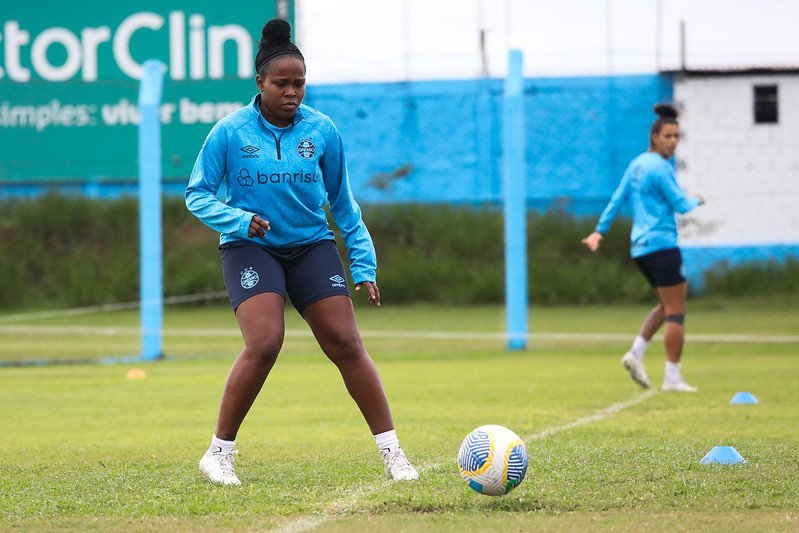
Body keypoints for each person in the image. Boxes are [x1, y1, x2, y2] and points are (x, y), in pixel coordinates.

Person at [185, 18, 418, 485]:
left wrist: (363, 262)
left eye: (300, 83)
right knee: (266, 341)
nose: (292, 92)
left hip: (311, 246)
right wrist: (238, 220)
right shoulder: (229, 132)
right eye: (282, 84)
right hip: (250, 247)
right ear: (260, 84)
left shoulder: (323, 131)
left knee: (346, 342)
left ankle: (394, 454)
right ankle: (218, 454)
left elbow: (343, 203)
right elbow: (197, 194)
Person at [581, 103, 704, 393]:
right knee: (677, 310)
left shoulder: (636, 164)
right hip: (661, 245)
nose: (673, 142)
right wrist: (697, 198)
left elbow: (617, 199)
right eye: (668, 136)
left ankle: (636, 353)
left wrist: (599, 232)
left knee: (665, 305)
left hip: (640, 248)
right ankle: (672, 378)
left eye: (677, 137)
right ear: (654, 138)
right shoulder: (660, 169)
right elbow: (682, 206)